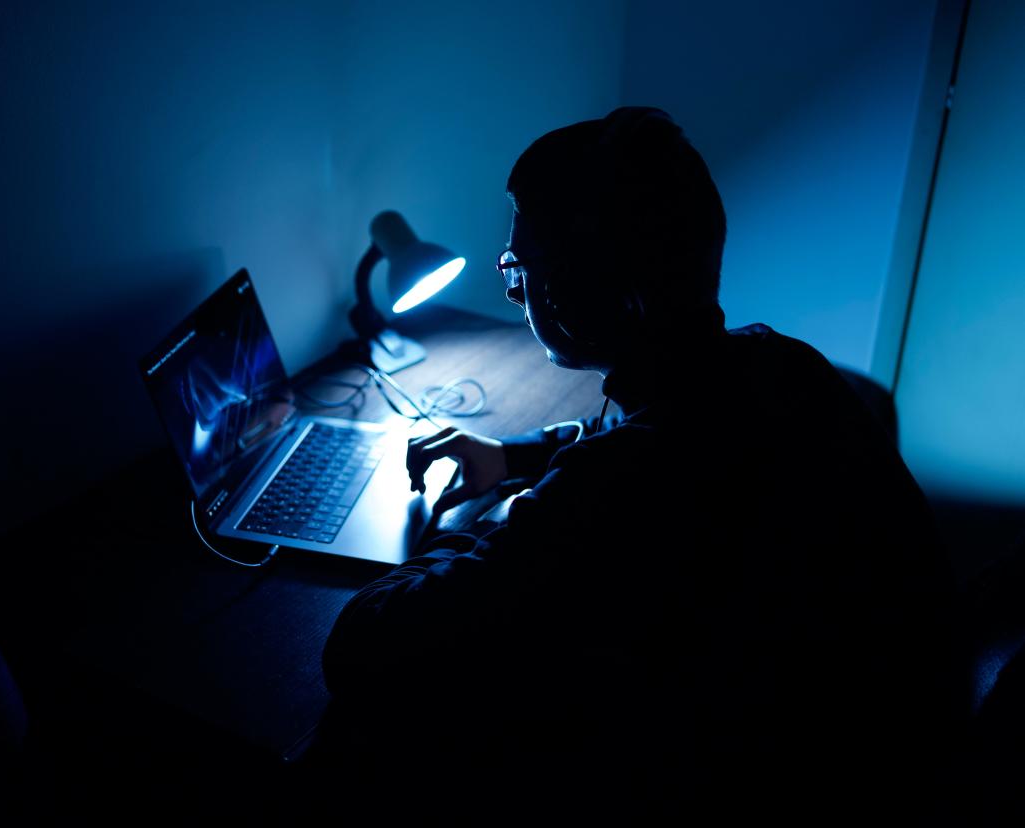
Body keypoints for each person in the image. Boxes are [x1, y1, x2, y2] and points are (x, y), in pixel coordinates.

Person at [311, 108, 956, 819]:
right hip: (893, 724)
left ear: (583, 297)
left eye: (522, 269)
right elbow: (641, 428)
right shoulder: (779, 361)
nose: (511, 290)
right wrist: (514, 455)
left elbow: (360, 647)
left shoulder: (621, 487)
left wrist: (477, 520)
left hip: (764, 782)